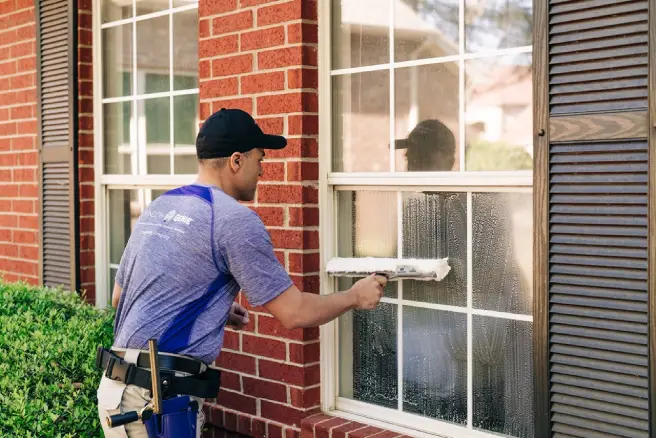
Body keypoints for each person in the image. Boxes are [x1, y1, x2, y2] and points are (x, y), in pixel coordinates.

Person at [96, 108, 387, 438]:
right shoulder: (233, 220)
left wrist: (211, 309)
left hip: (117, 390)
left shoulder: (162, 205)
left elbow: (121, 297)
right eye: (260, 160)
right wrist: (354, 296)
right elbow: (293, 312)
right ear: (236, 161)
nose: (263, 171)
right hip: (152, 402)